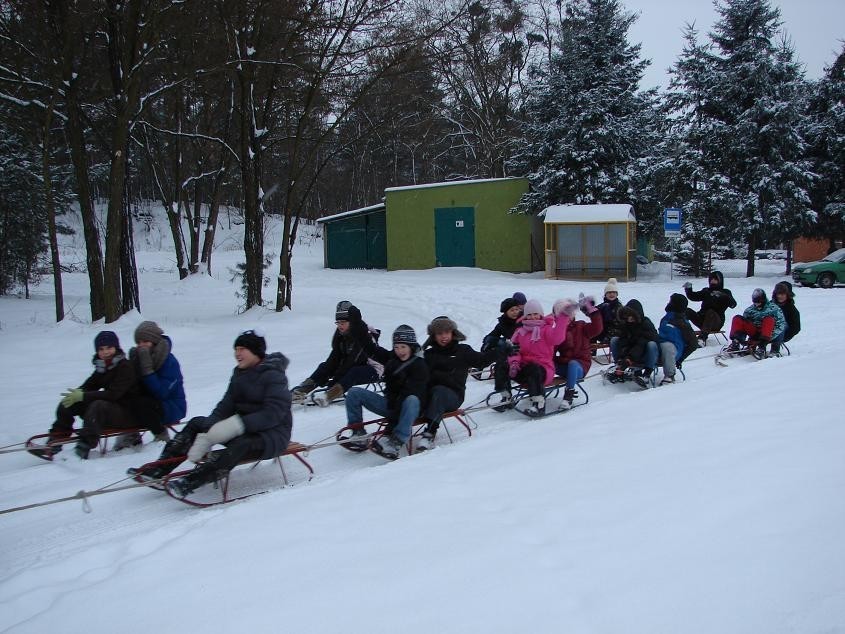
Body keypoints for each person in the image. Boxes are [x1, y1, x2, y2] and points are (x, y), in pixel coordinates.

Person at [129, 330, 292, 498]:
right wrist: (209, 430)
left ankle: (191, 482)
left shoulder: (274, 376)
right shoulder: (239, 374)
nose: (237, 354)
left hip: (272, 435)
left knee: (242, 443)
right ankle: (160, 469)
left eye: (242, 349)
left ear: (256, 351)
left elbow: (273, 413)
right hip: (244, 429)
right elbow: (225, 405)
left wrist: (237, 425)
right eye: (236, 349)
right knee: (196, 423)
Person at [29, 331, 149, 460]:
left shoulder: (125, 367)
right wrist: (77, 395)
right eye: (101, 349)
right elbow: (89, 386)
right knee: (68, 403)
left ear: (116, 348)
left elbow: (113, 394)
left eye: (109, 348)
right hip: (113, 409)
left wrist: (83, 396)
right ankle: (57, 440)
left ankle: (83, 447)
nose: (105, 352)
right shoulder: (102, 367)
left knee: (97, 406)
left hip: (130, 413)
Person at [342, 325, 429, 460]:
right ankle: (358, 432)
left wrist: (389, 429)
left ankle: (397, 441)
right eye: (396, 347)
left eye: (403, 347)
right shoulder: (391, 359)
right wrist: (359, 330)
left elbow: (411, 393)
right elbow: (372, 350)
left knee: (411, 399)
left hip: (411, 408)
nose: (399, 351)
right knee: (354, 392)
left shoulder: (420, 365)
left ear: (411, 346)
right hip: (392, 405)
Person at [418, 316, 502, 452]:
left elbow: (481, 361)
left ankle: (429, 433)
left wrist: (500, 351)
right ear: (433, 336)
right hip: (430, 396)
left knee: (438, 391)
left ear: (453, 333)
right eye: (439, 333)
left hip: (453, 396)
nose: (443, 336)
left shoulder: (463, 351)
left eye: (446, 332)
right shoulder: (428, 354)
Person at [290, 300, 380, 406]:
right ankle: (301, 391)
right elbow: (334, 358)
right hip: (351, 366)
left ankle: (330, 395)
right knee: (324, 366)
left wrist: (334, 382)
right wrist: (326, 373)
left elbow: (354, 361)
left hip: (372, 369)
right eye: (338, 323)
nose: (340, 326)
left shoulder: (363, 335)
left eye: (343, 323)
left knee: (354, 371)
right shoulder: (341, 336)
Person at [114, 321, 187, 450]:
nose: (142, 346)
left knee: (143, 404)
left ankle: (161, 434)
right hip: (150, 402)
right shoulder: (140, 358)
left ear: (154, 341)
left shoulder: (169, 361)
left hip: (172, 405)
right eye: (139, 343)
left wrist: (147, 370)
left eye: (145, 342)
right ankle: (132, 434)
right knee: (128, 398)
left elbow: (162, 393)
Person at [493, 298, 569, 417]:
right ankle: (506, 397)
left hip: (543, 370)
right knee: (501, 364)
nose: (533, 317)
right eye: (529, 314)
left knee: (533, 368)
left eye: (535, 314)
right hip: (522, 368)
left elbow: (558, 338)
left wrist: (563, 319)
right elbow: (514, 351)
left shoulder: (546, 330)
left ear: (540, 314)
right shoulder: (520, 331)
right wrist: (514, 363)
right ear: (525, 316)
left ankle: (539, 404)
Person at [553, 294, 603, 409]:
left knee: (573, 364)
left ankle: (568, 395)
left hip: (580, 366)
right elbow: (551, 351)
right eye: (562, 315)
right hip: (565, 365)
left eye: (568, 314)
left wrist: (591, 310)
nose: (566, 317)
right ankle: (538, 394)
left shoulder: (581, 326)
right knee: (546, 364)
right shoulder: (557, 332)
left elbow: (597, 328)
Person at [609, 299, 660, 387]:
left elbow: (641, 344)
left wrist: (630, 358)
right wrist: (623, 357)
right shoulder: (626, 325)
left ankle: (647, 374)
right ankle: (619, 367)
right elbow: (623, 341)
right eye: (627, 315)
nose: (629, 318)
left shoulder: (645, 324)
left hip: (645, 354)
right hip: (632, 353)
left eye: (631, 315)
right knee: (615, 340)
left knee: (651, 344)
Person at [726, 289, 786, 358]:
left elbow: (781, 325)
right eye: (755, 302)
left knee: (769, 319)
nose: (757, 304)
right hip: (755, 333)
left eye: (759, 302)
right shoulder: (750, 310)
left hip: (768, 334)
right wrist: (746, 341)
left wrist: (764, 340)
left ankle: (762, 347)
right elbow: (744, 326)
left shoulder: (774, 309)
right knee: (737, 319)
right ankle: (735, 343)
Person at [683, 270, 737, 345]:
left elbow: (733, 305)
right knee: (686, 311)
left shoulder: (726, 292)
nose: (713, 281)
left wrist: (723, 296)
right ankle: (681, 333)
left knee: (710, 312)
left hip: (716, 323)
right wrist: (688, 289)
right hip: (702, 320)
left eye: (715, 279)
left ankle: (702, 339)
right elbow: (693, 297)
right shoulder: (706, 291)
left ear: (720, 281)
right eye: (711, 279)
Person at [657, 294, 699, 385]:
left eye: (670, 302)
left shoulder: (683, 323)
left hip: (673, 350)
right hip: (660, 346)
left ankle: (670, 376)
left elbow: (694, 343)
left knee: (667, 346)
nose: (668, 303)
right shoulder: (665, 318)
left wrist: (680, 359)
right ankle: (640, 372)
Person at [771, 281, 800, 354]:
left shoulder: (791, 309)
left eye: (783, 294)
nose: (780, 296)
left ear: (788, 295)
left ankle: (775, 349)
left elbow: (796, 327)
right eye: (778, 294)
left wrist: (784, 337)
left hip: (782, 332)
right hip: (768, 330)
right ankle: (754, 345)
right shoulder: (770, 305)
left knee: (781, 323)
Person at [592, 278, 622, 344]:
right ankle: (591, 353)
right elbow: (593, 313)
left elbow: (619, 324)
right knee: (591, 333)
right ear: (605, 295)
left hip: (615, 332)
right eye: (609, 293)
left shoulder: (619, 307)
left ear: (617, 294)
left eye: (614, 292)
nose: (612, 294)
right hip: (603, 331)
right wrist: (588, 308)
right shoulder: (602, 306)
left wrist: (610, 335)